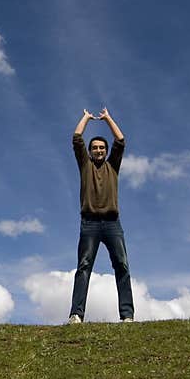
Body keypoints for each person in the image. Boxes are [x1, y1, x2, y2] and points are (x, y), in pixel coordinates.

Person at [68, 107, 135, 324]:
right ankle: (76, 314)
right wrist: (86, 118)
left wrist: (107, 119)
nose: (98, 150)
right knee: (84, 266)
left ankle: (127, 316)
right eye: (95, 148)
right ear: (90, 151)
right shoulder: (85, 165)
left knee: (122, 265)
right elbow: (77, 137)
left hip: (112, 224)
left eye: (101, 148)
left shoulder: (112, 166)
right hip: (89, 224)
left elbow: (121, 140)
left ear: (106, 151)